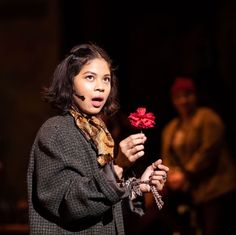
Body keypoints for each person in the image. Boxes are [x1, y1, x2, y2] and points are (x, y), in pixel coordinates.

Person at [27, 42, 169, 234]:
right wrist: (118, 166)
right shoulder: (56, 131)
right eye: (90, 77)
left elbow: (100, 202)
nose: (101, 87)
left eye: (106, 79)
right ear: (70, 83)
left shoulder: (98, 132)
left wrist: (136, 186)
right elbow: (70, 204)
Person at [160, 76, 236, 235]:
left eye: (187, 95)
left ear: (195, 96)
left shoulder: (207, 117)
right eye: (178, 97)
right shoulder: (172, 127)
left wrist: (186, 173)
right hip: (191, 191)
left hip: (215, 188)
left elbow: (208, 150)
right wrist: (170, 174)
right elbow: (167, 155)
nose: (183, 101)